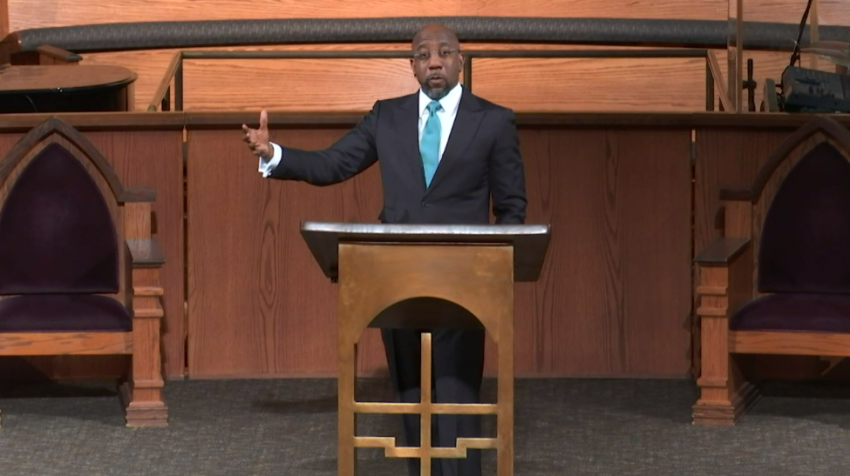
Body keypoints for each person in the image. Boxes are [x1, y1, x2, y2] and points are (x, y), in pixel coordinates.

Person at [242, 24, 527, 476]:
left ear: (461, 60)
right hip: (395, 279)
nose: (434, 61)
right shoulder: (387, 116)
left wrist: (496, 268)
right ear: (411, 66)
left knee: (455, 392)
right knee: (410, 393)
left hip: (465, 280)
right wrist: (274, 152)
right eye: (423, 55)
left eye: (444, 53)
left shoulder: (493, 120)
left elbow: (512, 207)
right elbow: (334, 162)